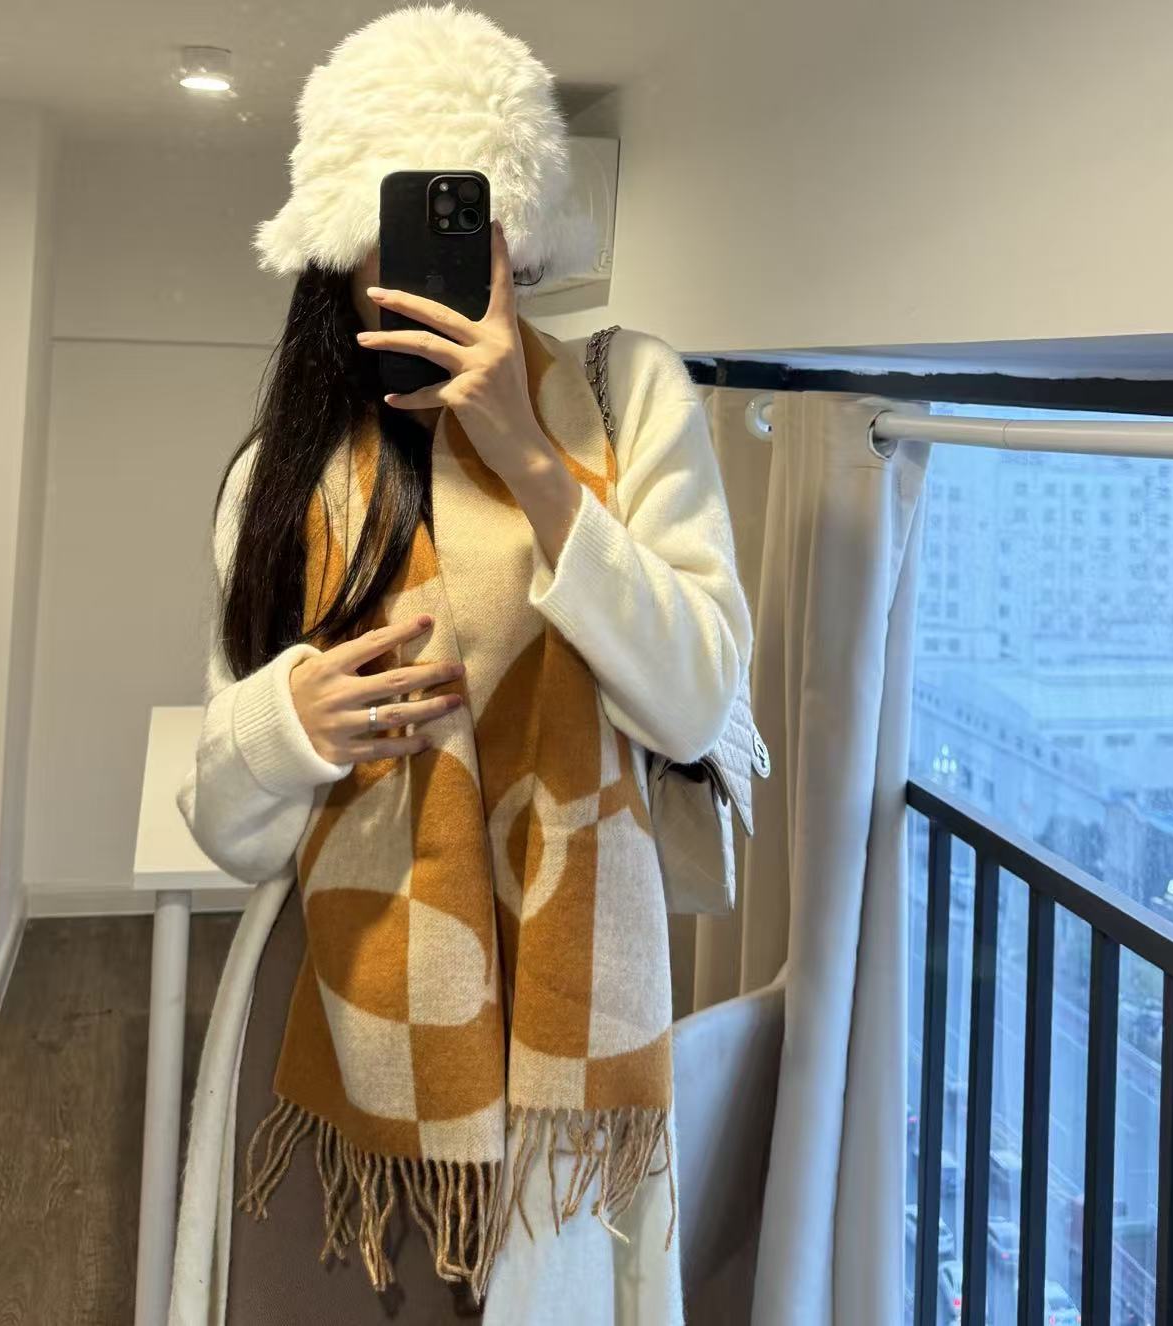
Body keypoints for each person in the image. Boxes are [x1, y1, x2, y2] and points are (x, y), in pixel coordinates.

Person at [167, 6, 753, 1325]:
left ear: (520, 234)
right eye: (399, 218)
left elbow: (698, 700)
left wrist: (528, 455)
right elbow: (230, 831)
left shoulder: (626, 396)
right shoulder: (280, 481)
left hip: (566, 1020)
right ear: (340, 247)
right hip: (341, 1018)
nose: (433, 258)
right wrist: (290, 721)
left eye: (469, 215)